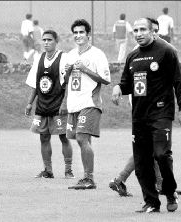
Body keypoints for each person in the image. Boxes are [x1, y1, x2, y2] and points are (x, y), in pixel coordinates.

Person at [112, 18, 181, 213]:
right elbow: (126, 84)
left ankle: (170, 192)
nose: (138, 33)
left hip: (161, 112)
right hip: (139, 116)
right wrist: (117, 88)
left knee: (161, 155)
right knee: (141, 162)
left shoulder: (166, 51)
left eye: (142, 30)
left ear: (153, 31)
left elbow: (178, 82)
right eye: (135, 30)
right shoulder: (132, 56)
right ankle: (151, 202)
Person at [64, 19, 111, 190]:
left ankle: (89, 179)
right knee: (82, 140)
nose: (78, 36)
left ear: (88, 35)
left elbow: (106, 79)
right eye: (75, 33)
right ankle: (86, 177)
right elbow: (64, 82)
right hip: (74, 104)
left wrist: (85, 69)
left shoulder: (97, 54)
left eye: (81, 32)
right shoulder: (70, 55)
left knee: (82, 137)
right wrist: (68, 72)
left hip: (90, 102)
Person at [25, 30, 74, 179]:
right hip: (42, 105)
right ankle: (48, 170)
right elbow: (35, 84)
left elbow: (68, 83)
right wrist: (29, 103)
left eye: (49, 40)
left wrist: (65, 103)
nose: (46, 42)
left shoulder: (63, 58)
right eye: (44, 40)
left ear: (56, 41)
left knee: (63, 137)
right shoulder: (39, 58)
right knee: (43, 137)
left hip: (58, 106)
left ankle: (68, 170)